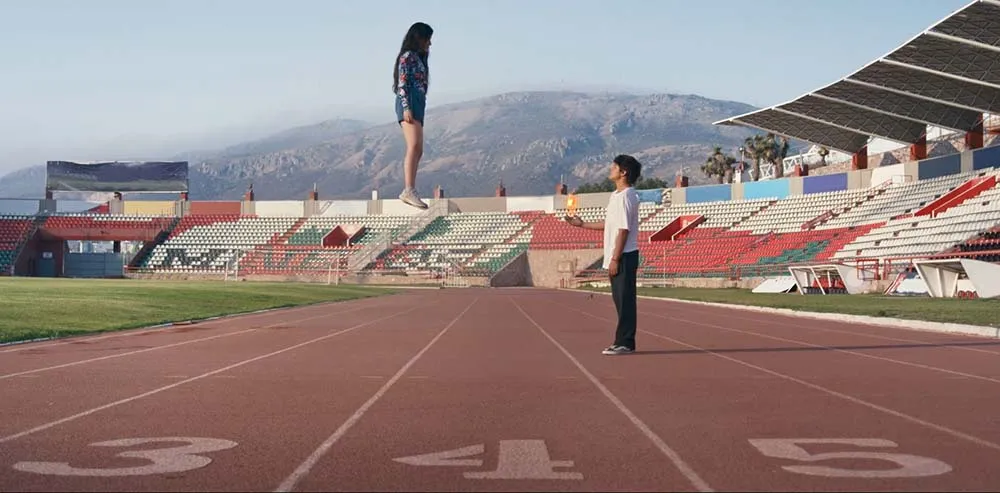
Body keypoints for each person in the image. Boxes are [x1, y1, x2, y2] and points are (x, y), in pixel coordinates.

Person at [565, 154, 641, 355]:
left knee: (625, 301)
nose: (610, 169)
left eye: (614, 167)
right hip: (616, 255)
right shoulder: (616, 196)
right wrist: (582, 225)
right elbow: (610, 225)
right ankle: (622, 340)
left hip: (624, 255)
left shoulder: (627, 196)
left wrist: (616, 258)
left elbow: (623, 230)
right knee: (619, 300)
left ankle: (625, 342)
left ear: (623, 172)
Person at [393, 22, 434, 210]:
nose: (430, 44)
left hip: (418, 102)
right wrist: (406, 106)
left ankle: (411, 187)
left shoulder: (420, 58)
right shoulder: (407, 57)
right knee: (414, 145)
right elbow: (402, 83)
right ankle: (408, 188)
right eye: (428, 39)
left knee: (419, 148)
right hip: (409, 102)